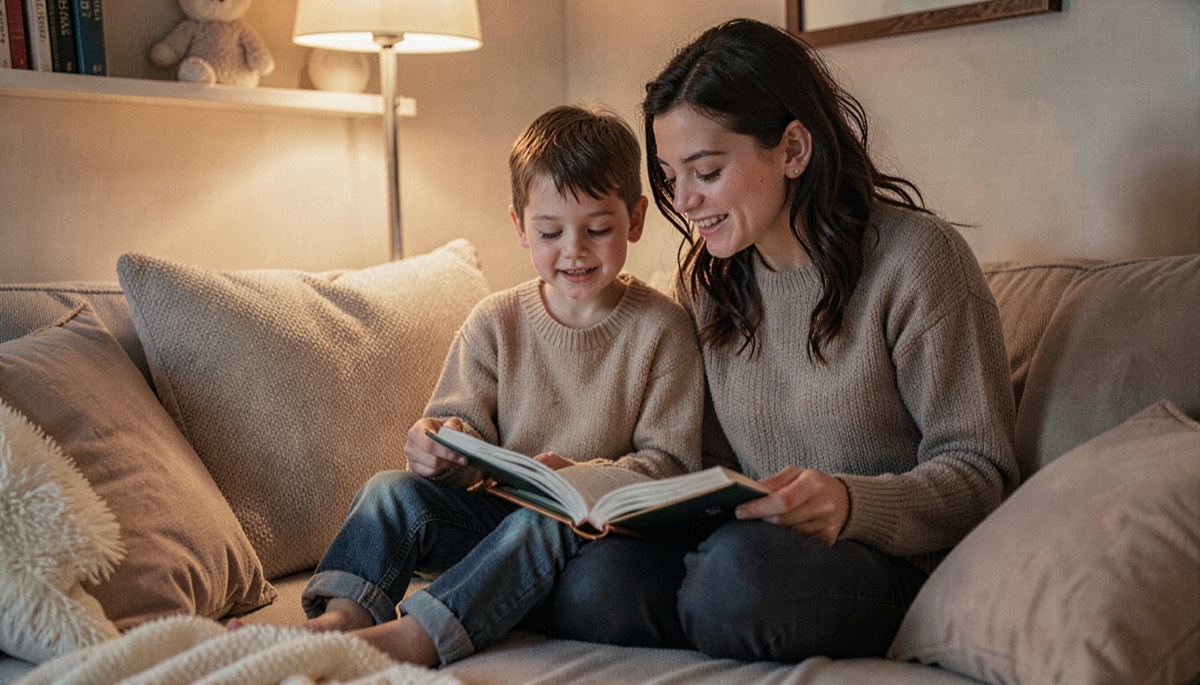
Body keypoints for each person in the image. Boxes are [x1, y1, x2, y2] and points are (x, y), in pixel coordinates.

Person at [528, 18, 1020, 662]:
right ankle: (713, 611)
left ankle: (717, 608)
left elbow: (983, 476)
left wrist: (850, 502)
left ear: (792, 148)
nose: (686, 202)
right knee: (593, 585)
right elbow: (694, 467)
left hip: (885, 563)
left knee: (736, 579)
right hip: (747, 545)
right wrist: (599, 482)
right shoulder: (707, 285)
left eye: (705, 172)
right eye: (672, 177)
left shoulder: (919, 261)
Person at [290, 105, 704, 666]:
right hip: (495, 522)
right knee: (389, 491)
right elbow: (463, 443)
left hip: (600, 536)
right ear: (519, 227)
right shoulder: (494, 322)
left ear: (634, 220)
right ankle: (345, 617)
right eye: (550, 232)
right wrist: (437, 446)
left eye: (598, 229)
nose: (574, 250)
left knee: (552, 514)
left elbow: (672, 464)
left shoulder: (663, 326)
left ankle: (420, 638)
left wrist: (581, 478)